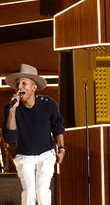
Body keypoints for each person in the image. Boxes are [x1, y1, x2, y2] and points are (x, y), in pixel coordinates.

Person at [2, 63, 65, 205]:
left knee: (42, 190)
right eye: (18, 84)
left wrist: (61, 148)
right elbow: (10, 138)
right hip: (24, 155)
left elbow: (58, 127)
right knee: (29, 191)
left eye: (24, 83)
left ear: (34, 87)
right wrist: (13, 110)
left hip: (46, 154)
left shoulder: (48, 104)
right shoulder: (11, 108)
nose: (20, 87)